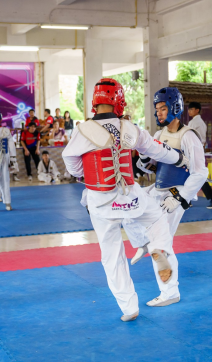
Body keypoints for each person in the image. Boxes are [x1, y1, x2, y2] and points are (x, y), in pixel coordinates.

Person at [62, 78, 189, 322]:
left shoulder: (83, 130)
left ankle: (129, 307)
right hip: (130, 196)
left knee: (111, 254)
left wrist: (82, 173)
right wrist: (179, 158)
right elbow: (156, 149)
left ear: (95, 102)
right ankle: (160, 259)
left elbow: (71, 162)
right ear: (118, 100)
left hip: (101, 200)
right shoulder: (129, 128)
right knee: (157, 222)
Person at [130, 87, 208, 307]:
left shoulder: (188, 136)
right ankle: (143, 241)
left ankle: (170, 293)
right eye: (157, 109)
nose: (159, 113)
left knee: (161, 244)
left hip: (176, 193)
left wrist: (180, 198)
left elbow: (200, 173)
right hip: (159, 188)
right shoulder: (158, 135)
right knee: (130, 206)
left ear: (175, 108)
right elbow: (150, 168)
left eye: (163, 108)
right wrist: (143, 157)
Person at [188, 101, 212, 209]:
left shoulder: (196, 122)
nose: (189, 111)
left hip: (194, 151)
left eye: (191, 109)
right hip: (194, 151)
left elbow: (196, 139)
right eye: (189, 109)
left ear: (197, 110)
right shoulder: (197, 122)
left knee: (197, 176)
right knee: (191, 175)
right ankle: (187, 200)